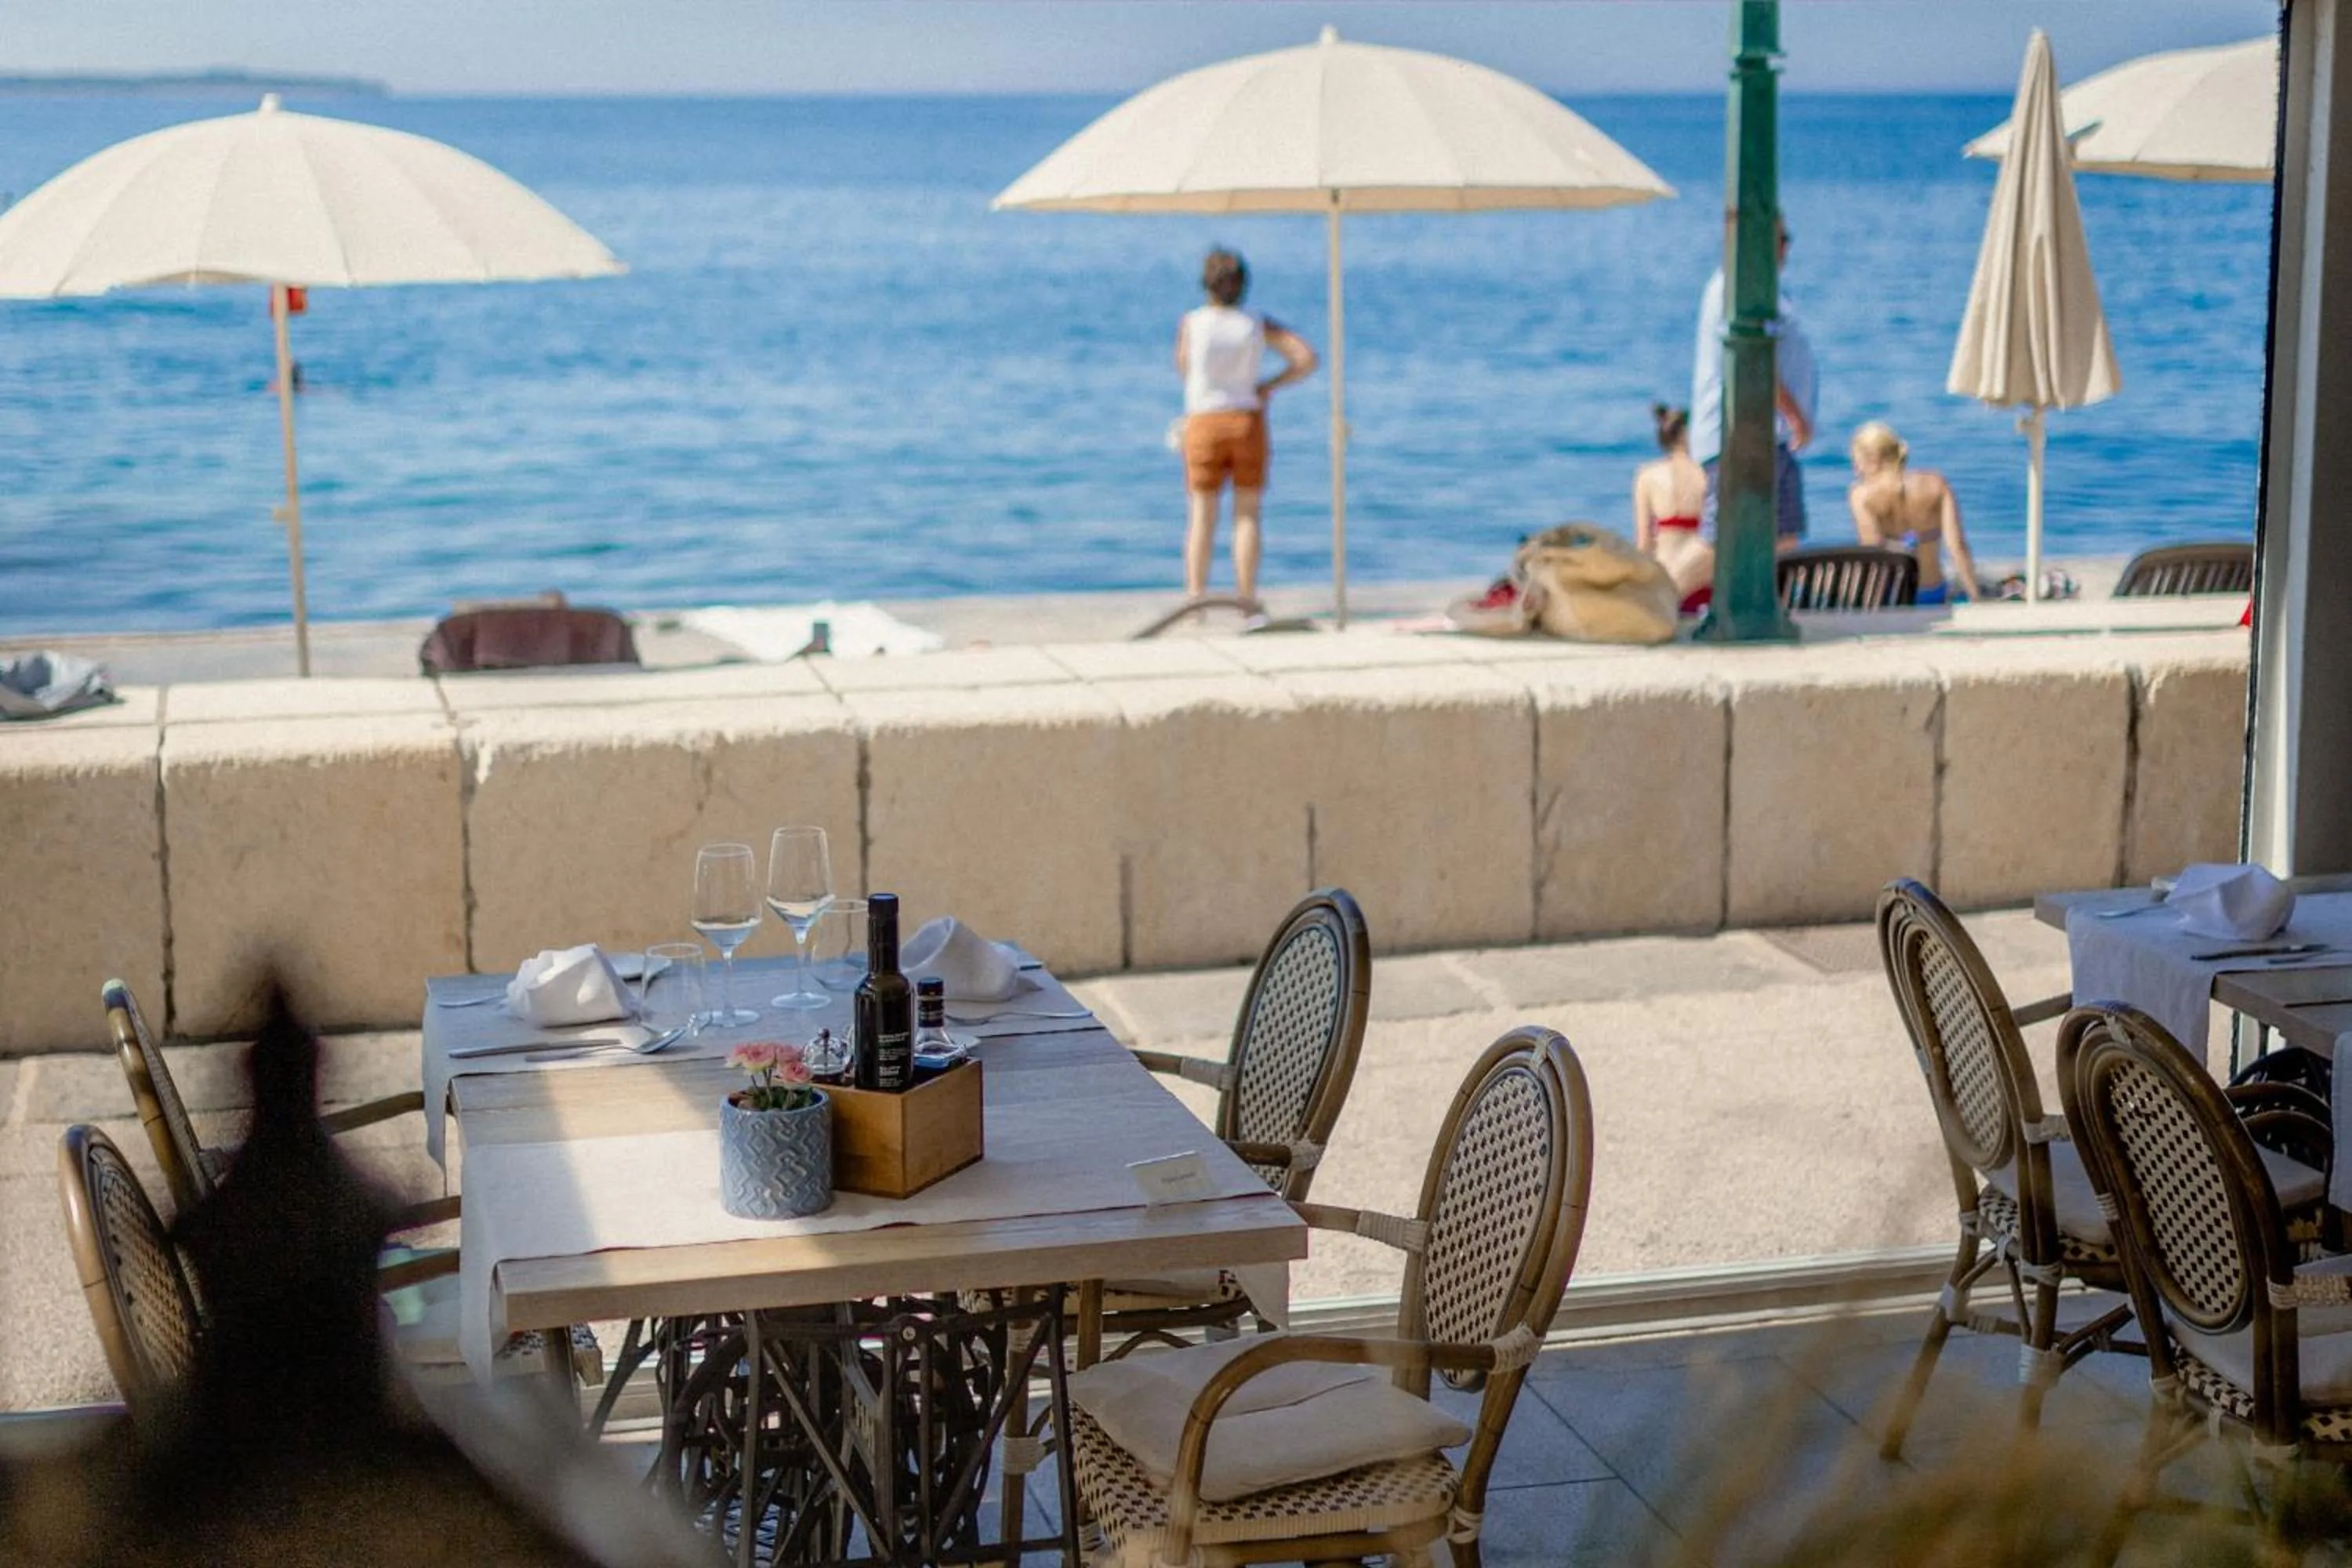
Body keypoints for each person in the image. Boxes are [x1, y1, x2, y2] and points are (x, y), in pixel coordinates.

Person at [1174, 249, 1317, 609]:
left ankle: (1196, 599)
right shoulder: (1255, 322)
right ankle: (1246, 598)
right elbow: (1305, 358)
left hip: (1203, 419)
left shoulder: (1193, 323)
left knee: (1201, 515)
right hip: (1246, 419)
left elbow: (1184, 368)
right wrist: (1269, 385)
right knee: (1247, 513)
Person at [1689, 216, 1814, 552]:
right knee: (1720, 541)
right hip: (1742, 438)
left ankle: (1779, 597)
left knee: (1784, 540)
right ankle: (1662, 585)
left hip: (1769, 438)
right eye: (1781, 239)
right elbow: (1753, 362)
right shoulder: (1738, 287)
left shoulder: (1762, 287)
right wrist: (1795, 416)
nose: (1787, 248)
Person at [1846, 420, 1983, 605]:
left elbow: (1873, 555)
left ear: (1873, 459)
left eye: (1857, 463)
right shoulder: (1936, 484)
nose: (1856, 471)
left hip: (1893, 598)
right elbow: (1957, 546)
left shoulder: (1861, 496)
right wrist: (1975, 597)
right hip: (1933, 593)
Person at [1631, 403, 1714, 614]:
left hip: (1666, 581)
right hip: (1706, 582)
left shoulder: (1647, 475)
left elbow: (1644, 543)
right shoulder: (1708, 473)